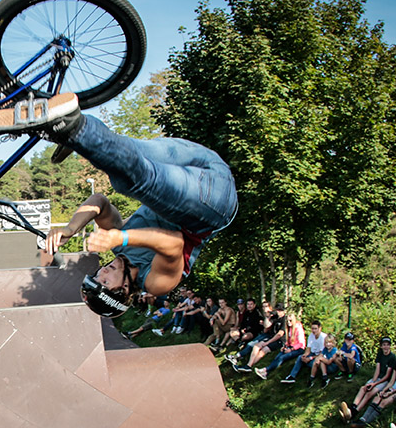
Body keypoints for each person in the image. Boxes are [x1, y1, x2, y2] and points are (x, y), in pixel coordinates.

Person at [23, 94, 237, 314]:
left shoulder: (118, 247)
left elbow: (99, 202)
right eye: (105, 282)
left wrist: (70, 229)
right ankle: (73, 132)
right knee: (134, 181)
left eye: (97, 276)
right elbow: (174, 243)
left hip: (201, 161)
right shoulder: (154, 283)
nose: (102, 272)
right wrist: (122, 236)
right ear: (123, 291)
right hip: (212, 205)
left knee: (130, 152)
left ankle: (68, 127)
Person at [339, 337, 396, 422]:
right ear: (381, 346)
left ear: (390, 346)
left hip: (384, 380)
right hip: (377, 378)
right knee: (363, 388)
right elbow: (377, 369)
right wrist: (373, 381)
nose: (385, 347)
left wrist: (374, 384)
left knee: (369, 393)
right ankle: (351, 410)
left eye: (387, 345)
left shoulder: (392, 357)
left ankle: (353, 413)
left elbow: (387, 375)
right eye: (384, 345)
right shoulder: (380, 354)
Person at [279, 319, 326, 386]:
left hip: (320, 356)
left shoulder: (323, 338)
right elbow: (308, 348)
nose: (314, 331)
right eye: (312, 329)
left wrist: (310, 358)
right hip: (313, 353)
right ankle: (292, 376)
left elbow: (322, 353)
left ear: (320, 328)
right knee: (300, 358)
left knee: (313, 363)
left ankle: (312, 378)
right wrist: (305, 355)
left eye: (315, 329)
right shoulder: (311, 336)